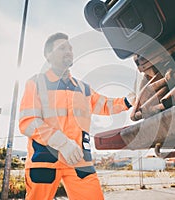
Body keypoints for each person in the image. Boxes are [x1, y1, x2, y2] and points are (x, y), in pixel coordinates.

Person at [19, 32, 135, 200]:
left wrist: (127, 101)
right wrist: (62, 143)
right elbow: (28, 122)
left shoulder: (83, 88)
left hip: (79, 161)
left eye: (70, 48)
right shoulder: (36, 83)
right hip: (44, 161)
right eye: (62, 48)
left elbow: (105, 105)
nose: (68, 51)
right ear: (48, 56)